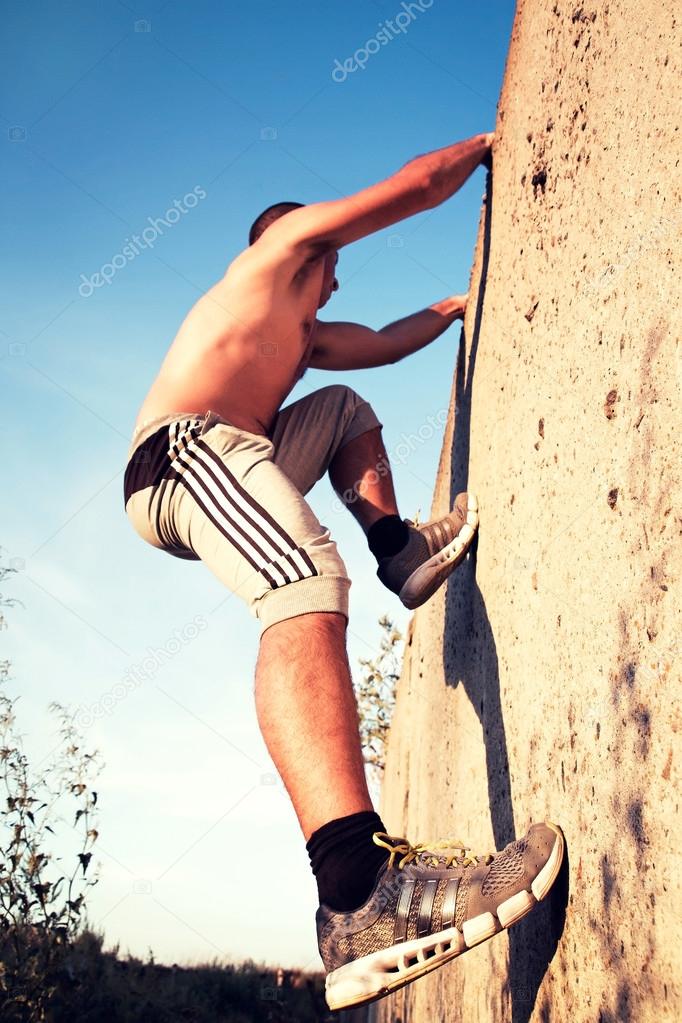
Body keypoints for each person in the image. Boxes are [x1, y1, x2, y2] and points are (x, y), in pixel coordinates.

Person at [123, 132, 565, 1010]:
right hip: (182, 455)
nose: (335, 286)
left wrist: (450, 311)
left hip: (234, 449)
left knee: (341, 411)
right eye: (330, 271)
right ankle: (358, 888)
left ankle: (397, 546)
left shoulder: (301, 338)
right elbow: (412, 188)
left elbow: (385, 347)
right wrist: (484, 144)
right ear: (302, 244)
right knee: (301, 583)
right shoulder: (277, 254)